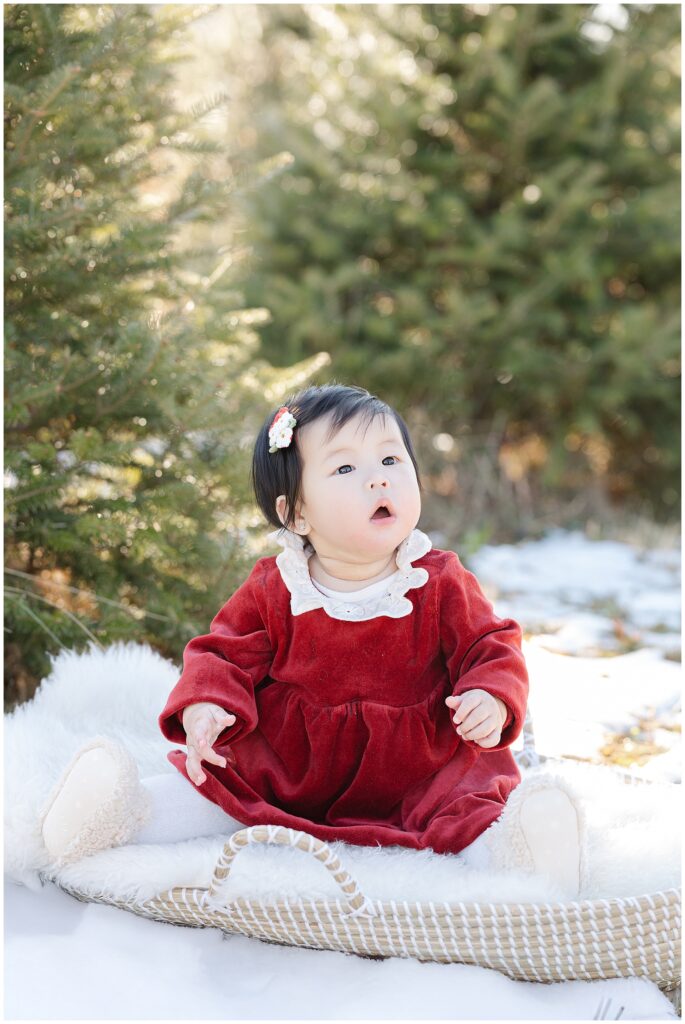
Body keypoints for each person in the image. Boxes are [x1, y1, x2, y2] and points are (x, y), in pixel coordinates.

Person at [39, 382, 585, 897]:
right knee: (220, 789)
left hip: (418, 772)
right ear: (296, 512)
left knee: (463, 817)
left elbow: (491, 645)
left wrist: (490, 695)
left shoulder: (437, 580)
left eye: (391, 460)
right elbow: (225, 653)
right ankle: (123, 810)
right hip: (293, 769)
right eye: (346, 466)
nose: (379, 479)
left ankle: (523, 850)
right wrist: (207, 705)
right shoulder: (277, 586)